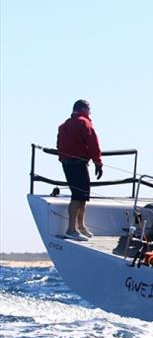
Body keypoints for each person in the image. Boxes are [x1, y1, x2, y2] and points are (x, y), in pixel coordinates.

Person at [56, 99, 103, 241]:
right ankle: (71, 229)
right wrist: (98, 162)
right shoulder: (84, 122)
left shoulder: (63, 125)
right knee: (77, 196)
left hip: (67, 163)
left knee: (82, 196)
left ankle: (81, 227)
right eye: (89, 109)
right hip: (78, 163)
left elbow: (59, 145)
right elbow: (93, 143)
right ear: (84, 109)